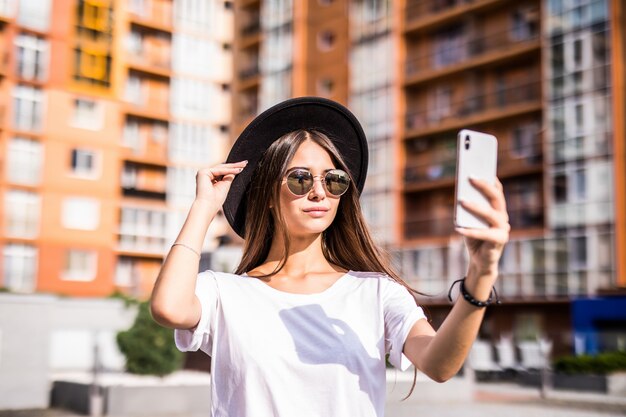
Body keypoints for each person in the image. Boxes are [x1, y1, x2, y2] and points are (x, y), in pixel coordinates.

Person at [150, 97, 510, 417]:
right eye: (300, 179)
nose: (319, 192)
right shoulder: (225, 293)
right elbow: (169, 308)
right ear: (269, 196)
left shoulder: (377, 293)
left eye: (334, 180)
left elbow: (440, 364)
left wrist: (481, 273)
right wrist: (203, 207)